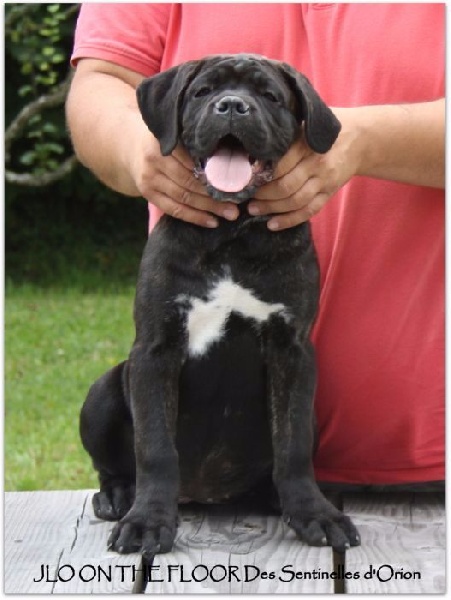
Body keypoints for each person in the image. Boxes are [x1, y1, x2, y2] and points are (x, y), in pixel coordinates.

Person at [67, 3, 444, 490]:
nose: (232, 106)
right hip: (216, 473)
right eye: (211, 94)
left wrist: (364, 142)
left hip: (430, 466)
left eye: (261, 96)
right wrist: (132, 145)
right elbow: (103, 79)